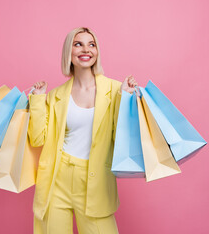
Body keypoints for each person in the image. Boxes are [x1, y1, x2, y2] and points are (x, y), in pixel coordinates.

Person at [28, 27, 138, 234]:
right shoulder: (55, 95)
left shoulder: (116, 90)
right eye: (78, 44)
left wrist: (126, 99)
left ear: (97, 51)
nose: (85, 49)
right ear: (68, 52)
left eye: (91, 44)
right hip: (56, 179)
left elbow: (121, 137)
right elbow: (37, 139)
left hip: (94, 179)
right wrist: (37, 99)